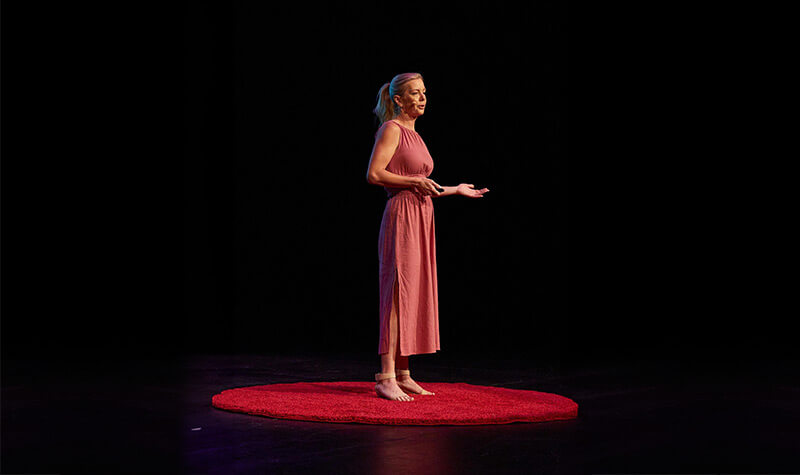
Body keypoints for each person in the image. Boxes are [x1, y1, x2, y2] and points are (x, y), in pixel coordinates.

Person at [366, 73, 490, 401]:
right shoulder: (391, 130)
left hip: (421, 216)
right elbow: (374, 174)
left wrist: (456, 190)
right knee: (395, 292)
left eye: (424, 93)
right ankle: (385, 375)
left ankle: (404, 374)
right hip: (402, 217)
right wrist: (411, 183)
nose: (422, 98)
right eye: (415, 94)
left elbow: (422, 184)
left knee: (411, 292)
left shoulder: (415, 136)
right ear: (398, 100)